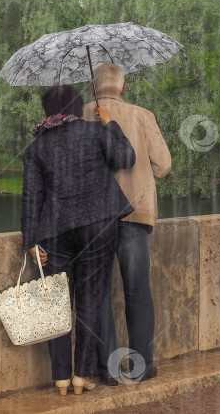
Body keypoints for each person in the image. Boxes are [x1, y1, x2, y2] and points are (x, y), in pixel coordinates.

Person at [21, 84, 136, 396]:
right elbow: (126, 158)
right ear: (78, 106)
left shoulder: (36, 148)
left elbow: (31, 199)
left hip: (55, 232)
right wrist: (109, 122)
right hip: (99, 226)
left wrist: (30, 242)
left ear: (47, 111)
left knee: (56, 303)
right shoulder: (94, 131)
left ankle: (60, 377)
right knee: (91, 300)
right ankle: (81, 375)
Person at [82, 63, 171, 386]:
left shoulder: (82, 114)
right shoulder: (141, 115)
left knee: (99, 293)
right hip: (135, 212)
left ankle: (107, 369)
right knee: (137, 292)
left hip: (95, 217)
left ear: (94, 88)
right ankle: (143, 365)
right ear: (123, 87)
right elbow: (163, 164)